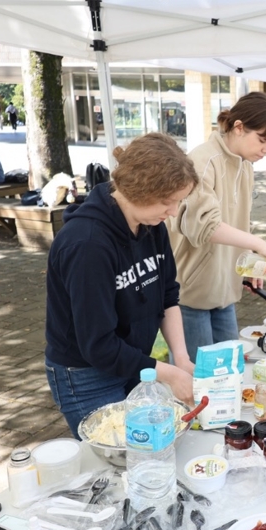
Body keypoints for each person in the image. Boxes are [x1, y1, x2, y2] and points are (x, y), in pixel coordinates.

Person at [45, 132, 198, 438]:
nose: (173, 212)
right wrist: (166, 373)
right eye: (168, 202)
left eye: (179, 202)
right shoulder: (87, 245)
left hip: (134, 362)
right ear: (140, 191)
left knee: (148, 446)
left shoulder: (151, 224)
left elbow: (168, 295)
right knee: (120, 455)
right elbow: (98, 345)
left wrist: (181, 359)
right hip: (86, 375)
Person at [168, 92, 266, 358]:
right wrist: (262, 245)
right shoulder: (202, 161)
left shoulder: (245, 165)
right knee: (200, 381)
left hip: (225, 289)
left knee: (228, 374)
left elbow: (238, 224)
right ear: (238, 127)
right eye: (263, 139)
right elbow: (205, 226)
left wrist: (250, 260)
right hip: (192, 294)